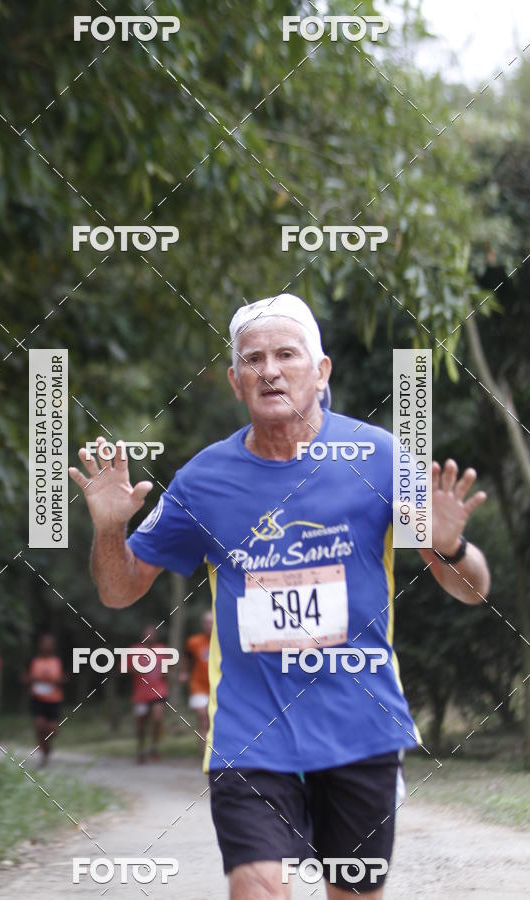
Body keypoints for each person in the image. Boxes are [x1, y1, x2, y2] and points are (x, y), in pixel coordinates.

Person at [70, 293, 490, 899]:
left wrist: (450, 547)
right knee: (258, 887)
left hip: (360, 728)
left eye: (287, 354)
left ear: (321, 372)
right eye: (254, 359)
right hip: (251, 732)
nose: (270, 369)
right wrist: (112, 528)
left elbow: (472, 591)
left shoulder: (378, 456)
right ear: (237, 382)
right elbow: (118, 590)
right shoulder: (203, 481)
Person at [23, 633, 66, 767]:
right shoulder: (32, 660)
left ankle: (47, 746)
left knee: (52, 728)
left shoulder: (59, 661)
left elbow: (66, 678)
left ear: (53, 646)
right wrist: (33, 679)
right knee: (39, 725)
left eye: (49, 643)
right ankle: (43, 751)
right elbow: (24, 677)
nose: (47, 646)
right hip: (37, 698)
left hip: (54, 699)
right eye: (44, 643)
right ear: (40, 645)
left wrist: (55, 680)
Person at [129, 623, 169, 763]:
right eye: (147, 634)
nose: (149, 636)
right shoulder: (135, 650)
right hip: (140, 694)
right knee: (141, 723)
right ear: (143, 636)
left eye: (152, 634)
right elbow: (124, 668)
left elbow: (168, 668)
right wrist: (134, 668)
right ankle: (140, 749)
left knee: (157, 719)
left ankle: (154, 747)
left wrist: (167, 673)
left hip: (158, 692)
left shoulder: (162, 649)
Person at [181, 610, 213, 741]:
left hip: (217, 686)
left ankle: (213, 753)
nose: (208, 625)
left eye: (211, 622)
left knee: (212, 721)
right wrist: (184, 672)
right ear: (202, 624)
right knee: (203, 717)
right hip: (198, 685)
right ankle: (204, 754)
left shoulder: (222, 641)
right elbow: (186, 658)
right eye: (206, 622)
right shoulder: (194, 642)